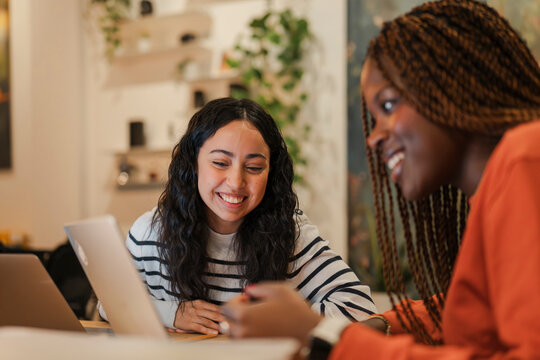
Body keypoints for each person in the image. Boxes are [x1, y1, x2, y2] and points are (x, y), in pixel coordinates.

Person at [220, 0, 540, 358]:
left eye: (388, 106)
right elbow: (473, 310)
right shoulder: (502, 182)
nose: (373, 137)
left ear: (452, 88)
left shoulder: (526, 157)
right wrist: (381, 325)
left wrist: (327, 337)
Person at [114, 97, 377, 335]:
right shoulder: (149, 232)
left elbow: (359, 309)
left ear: (270, 173)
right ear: (193, 164)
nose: (236, 182)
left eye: (254, 167)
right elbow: (110, 303)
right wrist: (170, 313)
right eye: (220, 163)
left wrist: (277, 322)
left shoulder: (291, 236)